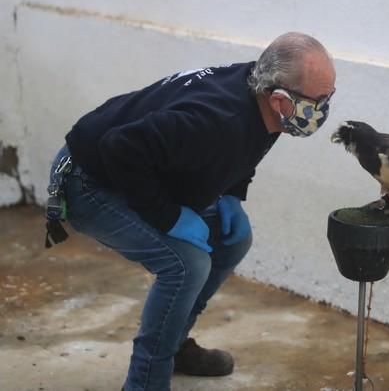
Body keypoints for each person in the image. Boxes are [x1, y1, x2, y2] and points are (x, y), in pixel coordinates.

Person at [46, 32, 336, 391]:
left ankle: (175, 343)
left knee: (234, 241)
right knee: (186, 264)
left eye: (330, 97)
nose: (324, 109)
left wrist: (232, 193)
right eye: (319, 100)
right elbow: (120, 148)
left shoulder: (265, 100)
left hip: (135, 167)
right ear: (278, 99)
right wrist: (168, 217)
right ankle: (145, 382)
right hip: (88, 179)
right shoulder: (215, 119)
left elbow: (244, 148)